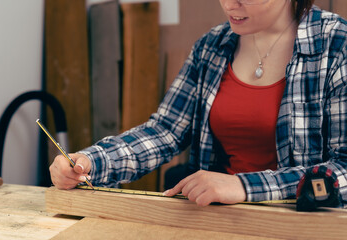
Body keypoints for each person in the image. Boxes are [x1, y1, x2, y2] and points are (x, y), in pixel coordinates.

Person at [50, 0, 347, 207]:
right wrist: (92, 161)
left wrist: (244, 187)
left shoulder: (337, 46)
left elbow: (344, 168)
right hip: (217, 217)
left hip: (302, 225)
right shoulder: (212, 47)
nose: (230, 4)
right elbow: (166, 130)